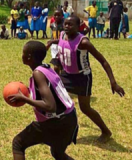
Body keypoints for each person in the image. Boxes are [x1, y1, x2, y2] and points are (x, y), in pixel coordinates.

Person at [47, 15, 125, 143]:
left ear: (78, 27)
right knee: (54, 98)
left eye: (70, 25)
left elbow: (103, 61)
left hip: (82, 77)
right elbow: (62, 42)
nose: (67, 26)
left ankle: (106, 131)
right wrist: (51, 42)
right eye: (65, 24)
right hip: (66, 75)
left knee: (85, 108)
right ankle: (58, 129)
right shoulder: (62, 35)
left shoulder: (83, 42)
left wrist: (113, 82)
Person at [9, 41, 78, 160]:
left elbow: (50, 106)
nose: (22, 55)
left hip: (56, 121)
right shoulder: (46, 68)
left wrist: (24, 99)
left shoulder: (38, 73)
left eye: (23, 53)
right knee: (58, 153)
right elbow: (52, 92)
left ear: (29, 57)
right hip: (70, 118)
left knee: (18, 143)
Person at [49, 9, 64, 74]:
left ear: (62, 16)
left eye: (59, 15)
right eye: (55, 15)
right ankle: (57, 78)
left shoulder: (64, 25)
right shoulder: (52, 25)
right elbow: (53, 34)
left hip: (62, 45)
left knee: (62, 64)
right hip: (54, 46)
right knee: (56, 66)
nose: (57, 17)